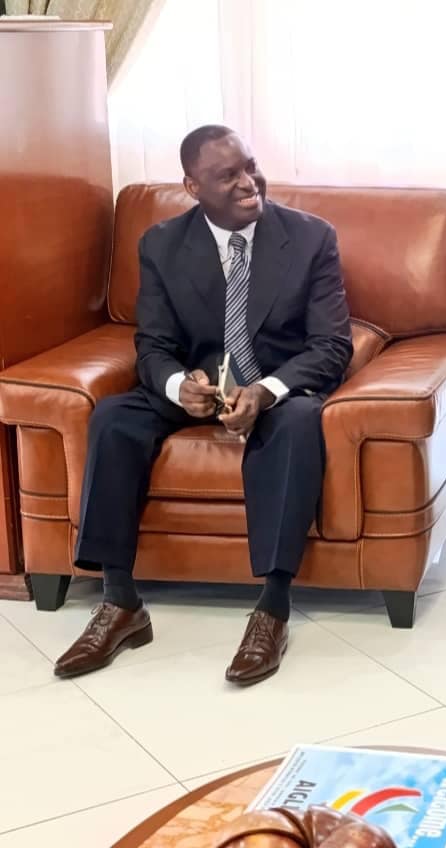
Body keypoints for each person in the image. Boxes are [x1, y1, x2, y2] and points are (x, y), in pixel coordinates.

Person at [53, 125, 353, 686]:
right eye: (228, 175)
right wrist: (176, 387)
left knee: (296, 422)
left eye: (250, 166)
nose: (248, 183)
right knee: (113, 418)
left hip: (277, 387)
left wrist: (265, 390)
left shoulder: (311, 238)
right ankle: (120, 602)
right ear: (192, 186)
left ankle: (272, 608)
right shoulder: (162, 245)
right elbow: (153, 346)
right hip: (202, 388)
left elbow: (332, 346)